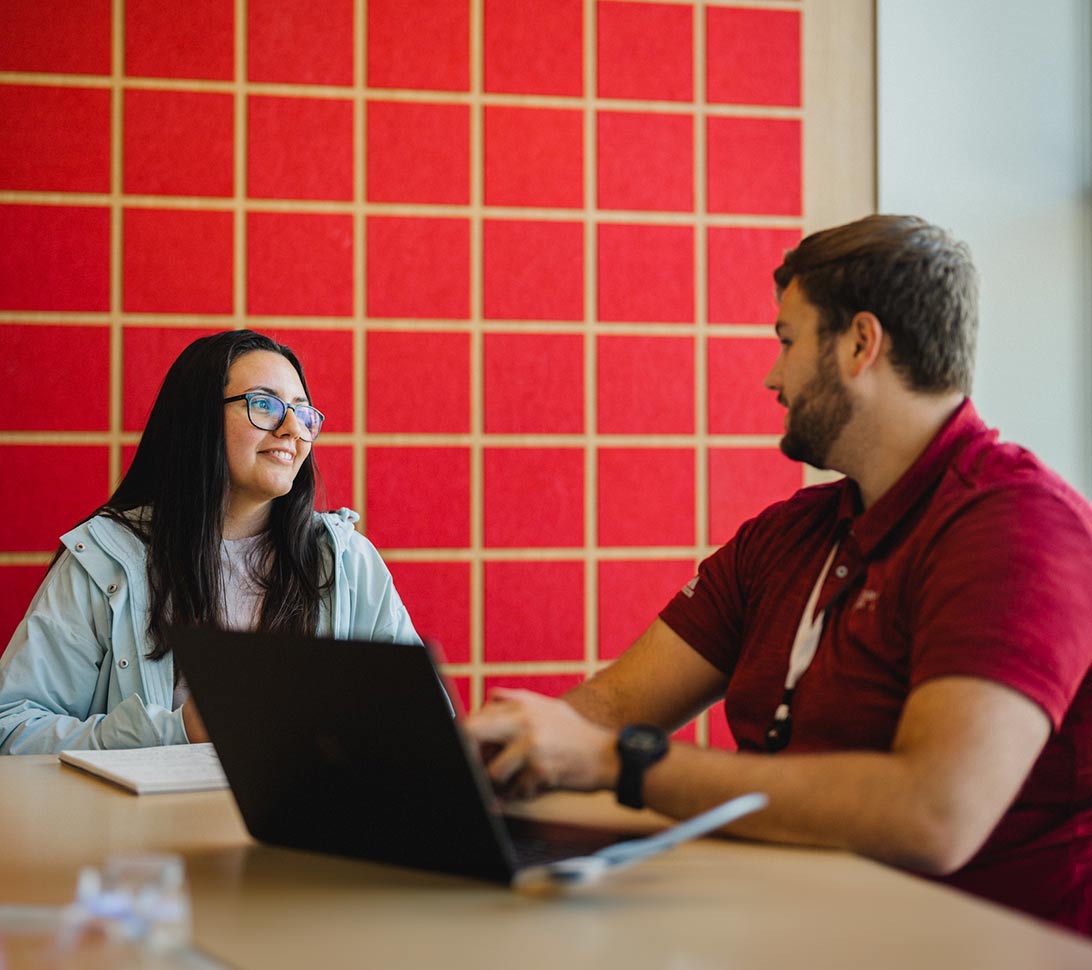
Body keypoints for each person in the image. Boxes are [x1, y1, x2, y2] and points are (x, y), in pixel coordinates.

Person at [466, 215, 1092, 934]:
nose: (772, 376)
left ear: (861, 343)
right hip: (793, 929)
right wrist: (476, 756)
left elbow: (933, 813)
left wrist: (622, 764)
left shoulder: (1022, 528)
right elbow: (611, 707)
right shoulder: (790, 534)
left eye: (787, 342)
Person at [0, 330, 419, 754]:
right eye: (264, 405)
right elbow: (11, 729)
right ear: (197, 418)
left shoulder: (347, 562)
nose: (293, 429)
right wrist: (177, 729)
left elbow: (423, 724)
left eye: (303, 412)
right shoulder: (106, 561)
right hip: (147, 823)